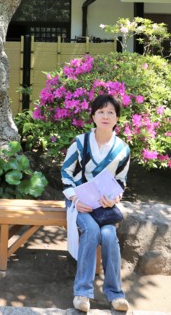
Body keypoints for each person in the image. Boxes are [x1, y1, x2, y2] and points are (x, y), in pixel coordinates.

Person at [61, 94, 130, 312]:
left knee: (109, 235)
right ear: (93, 116)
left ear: (117, 118)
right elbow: (66, 172)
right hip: (80, 202)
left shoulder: (123, 149)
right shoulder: (80, 142)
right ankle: (82, 293)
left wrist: (114, 198)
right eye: (101, 111)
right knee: (90, 230)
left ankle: (116, 294)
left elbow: (121, 181)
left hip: (105, 207)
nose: (106, 116)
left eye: (111, 112)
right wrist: (75, 198)